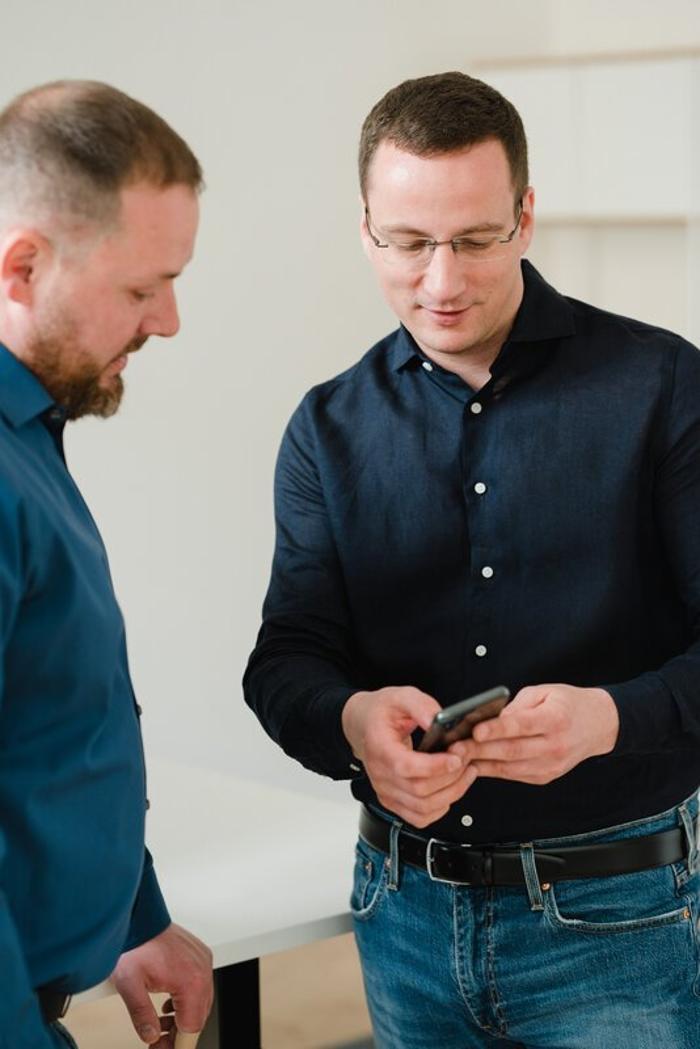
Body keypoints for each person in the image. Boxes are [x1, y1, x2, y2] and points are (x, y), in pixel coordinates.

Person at [244, 70, 700, 1048]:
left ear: (525, 217)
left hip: (615, 916)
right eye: (408, 243)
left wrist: (610, 718)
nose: (441, 280)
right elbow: (285, 662)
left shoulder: (662, 384)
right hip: (399, 912)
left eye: (474, 239)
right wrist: (353, 721)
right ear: (365, 228)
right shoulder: (326, 428)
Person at [0, 81, 212, 1049]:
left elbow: (48, 726)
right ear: (22, 265)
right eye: (140, 288)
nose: (167, 322)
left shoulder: (30, 433)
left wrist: (133, 916)